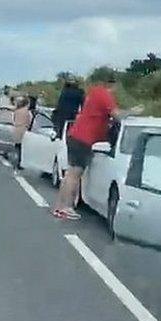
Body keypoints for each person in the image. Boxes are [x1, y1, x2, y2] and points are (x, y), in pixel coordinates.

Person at [52, 75, 136, 220]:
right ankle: (66, 207)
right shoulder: (105, 95)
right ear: (113, 84)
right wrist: (132, 112)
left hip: (76, 135)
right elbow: (117, 115)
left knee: (70, 174)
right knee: (74, 175)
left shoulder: (95, 92)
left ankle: (60, 206)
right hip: (84, 138)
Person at [51, 74, 85, 139]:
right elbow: (83, 105)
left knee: (60, 133)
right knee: (69, 134)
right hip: (72, 116)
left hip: (61, 116)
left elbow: (59, 104)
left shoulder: (64, 91)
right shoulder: (80, 92)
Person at [11, 95, 33, 170]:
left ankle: (15, 160)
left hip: (16, 129)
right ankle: (20, 163)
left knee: (17, 147)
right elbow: (29, 122)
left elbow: (13, 120)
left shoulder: (16, 111)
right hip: (24, 130)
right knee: (22, 148)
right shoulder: (27, 112)